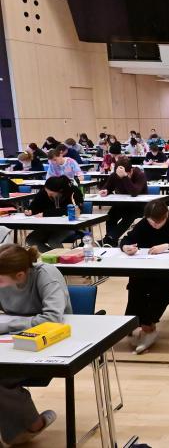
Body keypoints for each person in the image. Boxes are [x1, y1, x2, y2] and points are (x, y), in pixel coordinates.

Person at [0, 244, 70, 445]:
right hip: (13, 341)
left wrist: (7, 325)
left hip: (52, 343)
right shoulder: (5, 276)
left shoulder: (46, 275)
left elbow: (52, 318)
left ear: (20, 275)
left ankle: (31, 424)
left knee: (2, 376)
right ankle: (25, 423)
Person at [119, 200, 169, 353]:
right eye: (152, 222)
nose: (155, 225)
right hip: (148, 266)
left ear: (166, 215)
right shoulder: (144, 224)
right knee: (136, 281)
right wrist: (126, 247)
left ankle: (148, 326)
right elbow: (127, 239)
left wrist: (168, 246)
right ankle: (133, 321)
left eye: (159, 222)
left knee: (160, 286)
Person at [24, 176, 84, 252]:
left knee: (53, 241)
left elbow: (75, 210)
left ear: (60, 190)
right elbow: (35, 204)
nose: (48, 194)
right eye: (47, 192)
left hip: (67, 226)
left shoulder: (74, 192)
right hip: (47, 226)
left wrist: (46, 214)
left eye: (51, 193)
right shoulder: (45, 191)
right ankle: (52, 256)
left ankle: (62, 257)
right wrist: (30, 210)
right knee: (31, 239)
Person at [99, 156, 148, 246]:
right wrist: (106, 190)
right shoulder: (115, 175)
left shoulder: (140, 175)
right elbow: (108, 186)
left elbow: (134, 192)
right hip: (122, 204)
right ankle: (111, 241)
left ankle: (109, 239)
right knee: (111, 216)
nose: (120, 177)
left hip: (139, 206)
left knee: (128, 217)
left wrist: (125, 177)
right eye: (118, 175)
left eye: (123, 175)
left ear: (131, 171)